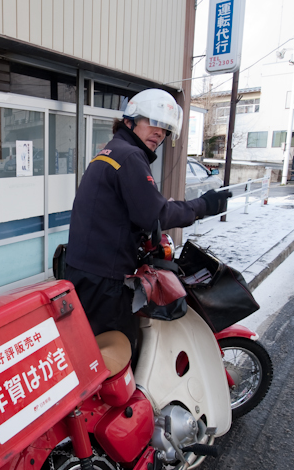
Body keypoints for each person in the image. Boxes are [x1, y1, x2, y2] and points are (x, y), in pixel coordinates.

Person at [64, 89, 231, 365]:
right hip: (106, 277)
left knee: (93, 345)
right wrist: (205, 205)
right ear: (130, 121)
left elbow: (126, 210)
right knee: (117, 351)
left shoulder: (111, 151)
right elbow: (156, 213)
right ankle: (123, 406)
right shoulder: (130, 156)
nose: (160, 133)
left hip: (85, 270)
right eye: (153, 122)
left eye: (165, 129)